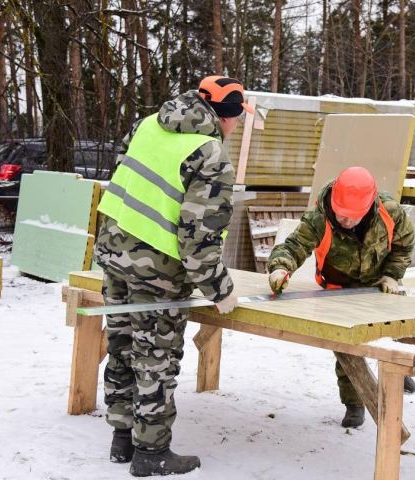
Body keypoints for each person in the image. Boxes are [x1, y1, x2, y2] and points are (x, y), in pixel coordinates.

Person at [93, 76, 253, 477]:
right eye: (238, 119)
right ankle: (151, 454)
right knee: (155, 359)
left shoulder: (149, 123)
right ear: (228, 116)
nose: (236, 127)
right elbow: (199, 238)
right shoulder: (210, 153)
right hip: (158, 271)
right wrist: (220, 289)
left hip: (114, 252)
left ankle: (121, 440)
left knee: (122, 346)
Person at [266, 166, 415, 428]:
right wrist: (280, 267)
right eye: (342, 215)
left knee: (391, 331)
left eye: (353, 217)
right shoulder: (318, 217)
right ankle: (354, 403)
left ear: (368, 207)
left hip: (379, 283)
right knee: (348, 348)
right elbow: (294, 246)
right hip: (338, 287)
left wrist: (392, 275)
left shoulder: (389, 211)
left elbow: (405, 244)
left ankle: (396, 373)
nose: (346, 221)